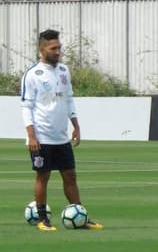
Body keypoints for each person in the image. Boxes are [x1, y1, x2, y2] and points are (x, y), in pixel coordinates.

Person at [20, 29, 104, 231]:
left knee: (70, 175)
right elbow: (26, 106)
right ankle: (42, 219)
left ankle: (80, 216)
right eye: (53, 48)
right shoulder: (32, 75)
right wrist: (31, 136)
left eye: (59, 47)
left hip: (61, 136)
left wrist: (75, 124)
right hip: (41, 136)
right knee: (43, 175)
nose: (58, 51)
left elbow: (68, 99)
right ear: (42, 50)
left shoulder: (64, 71)